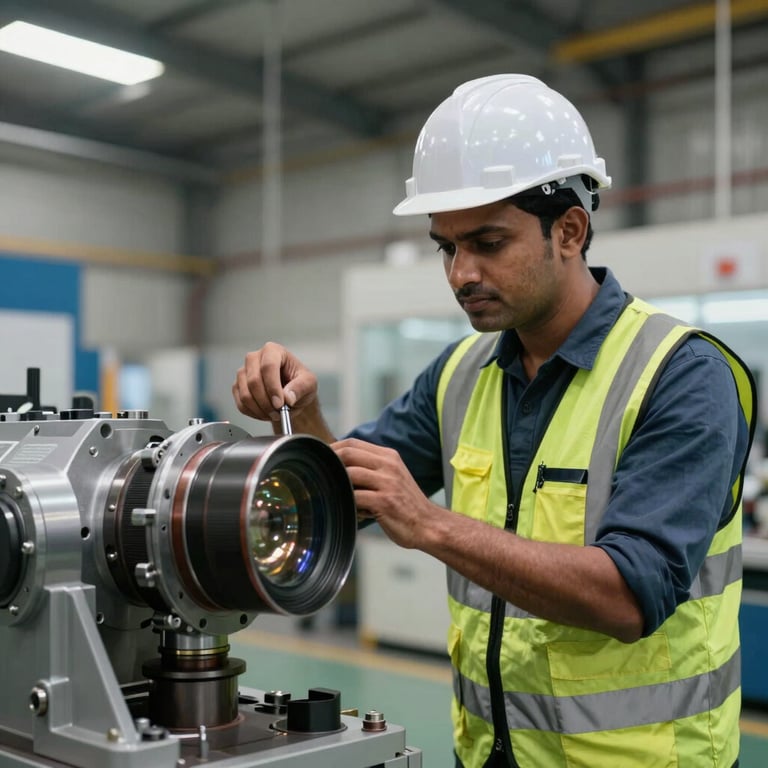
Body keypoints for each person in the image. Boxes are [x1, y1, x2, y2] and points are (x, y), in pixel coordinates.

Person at [232, 74, 756, 768]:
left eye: (488, 241)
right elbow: (346, 496)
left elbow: (632, 595)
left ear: (569, 230)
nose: (460, 273)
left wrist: (431, 525)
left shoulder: (680, 376)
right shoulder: (459, 376)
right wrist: (304, 413)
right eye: (447, 246)